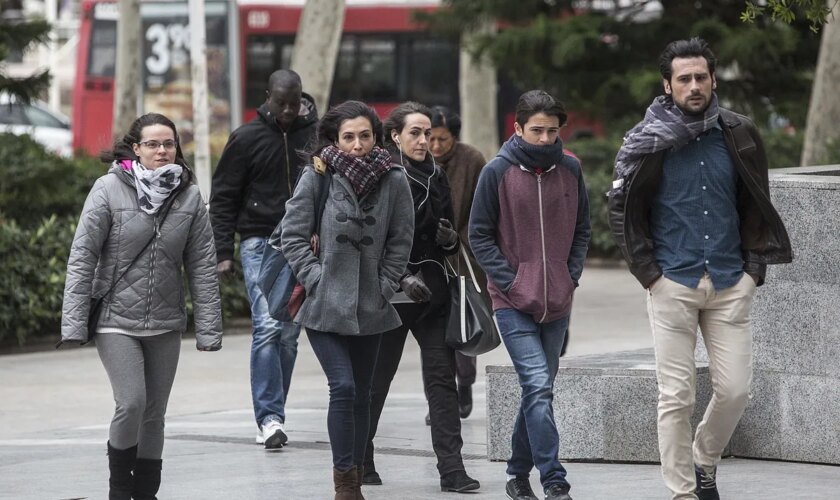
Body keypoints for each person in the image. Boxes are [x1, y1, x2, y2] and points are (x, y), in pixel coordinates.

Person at [607, 38, 792, 500]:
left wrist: (754, 271)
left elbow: (756, 203)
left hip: (731, 281)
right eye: (684, 78)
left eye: (701, 77)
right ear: (666, 85)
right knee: (676, 396)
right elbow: (621, 208)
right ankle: (683, 492)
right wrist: (649, 273)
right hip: (672, 280)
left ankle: (704, 458)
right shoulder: (647, 141)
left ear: (713, 79)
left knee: (735, 392)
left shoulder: (740, 132)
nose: (694, 86)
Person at [60, 113, 223, 499]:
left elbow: (202, 265)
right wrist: (73, 322)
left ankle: (146, 494)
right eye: (152, 144)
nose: (162, 151)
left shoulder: (189, 196)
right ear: (136, 148)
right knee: (131, 403)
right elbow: (82, 256)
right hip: (116, 321)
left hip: (165, 323)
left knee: (155, 415)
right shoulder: (107, 189)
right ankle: (120, 490)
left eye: (168, 143)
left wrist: (209, 328)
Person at [280, 100, 415, 500]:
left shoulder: (394, 178)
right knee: (341, 387)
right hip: (324, 304)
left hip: (371, 304)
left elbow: (400, 240)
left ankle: (355, 476)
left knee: (362, 391)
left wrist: (386, 284)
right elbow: (292, 235)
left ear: (377, 137)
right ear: (335, 139)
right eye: (349, 137)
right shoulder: (317, 175)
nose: (357, 145)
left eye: (365, 136)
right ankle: (345, 484)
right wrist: (317, 278)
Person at [469, 90, 590, 500]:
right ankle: (554, 480)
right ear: (517, 128)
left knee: (538, 389)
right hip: (510, 302)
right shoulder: (496, 172)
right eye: (536, 130)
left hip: (558, 301)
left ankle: (517, 473)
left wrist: (569, 276)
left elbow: (583, 230)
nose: (544, 138)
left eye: (551, 131)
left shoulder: (571, 169)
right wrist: (511, 282)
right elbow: (479, 236)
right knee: (538, 385)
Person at [362, 102, 481, 493]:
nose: (424, 140)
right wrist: (400, 278)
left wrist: (448, 240)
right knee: (378, 380)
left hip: (432, 293)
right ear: (394, 136)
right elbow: (371, 240)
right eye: (415, 132)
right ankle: (362, 458)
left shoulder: (437, 174)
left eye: (427, 133)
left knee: (442, 381)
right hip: (392, 294)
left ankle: (452, 468)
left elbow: (445, 235)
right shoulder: (381, 176)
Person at [209, 69, 317, 449]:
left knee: (289, 334)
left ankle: (275, 412)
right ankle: (269, 419)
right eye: (280, 102)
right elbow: (223, 197)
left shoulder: (315, 136)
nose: (288, 110)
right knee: (269, 326)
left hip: (305, 244)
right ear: (267, 96)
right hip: (259, 242)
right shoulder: (245, 139)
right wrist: (223, 252)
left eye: (294, 103)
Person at [428, 105, 487, 421]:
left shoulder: (472, 159)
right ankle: (440, 398)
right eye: (431, 138)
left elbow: (484, 208)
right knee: (434, 335)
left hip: (465, 255)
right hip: (430, 257)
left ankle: (465, 383)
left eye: (443, 139)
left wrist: (465, 241)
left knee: (464, 327)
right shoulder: (417, 160)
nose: (436, 146)